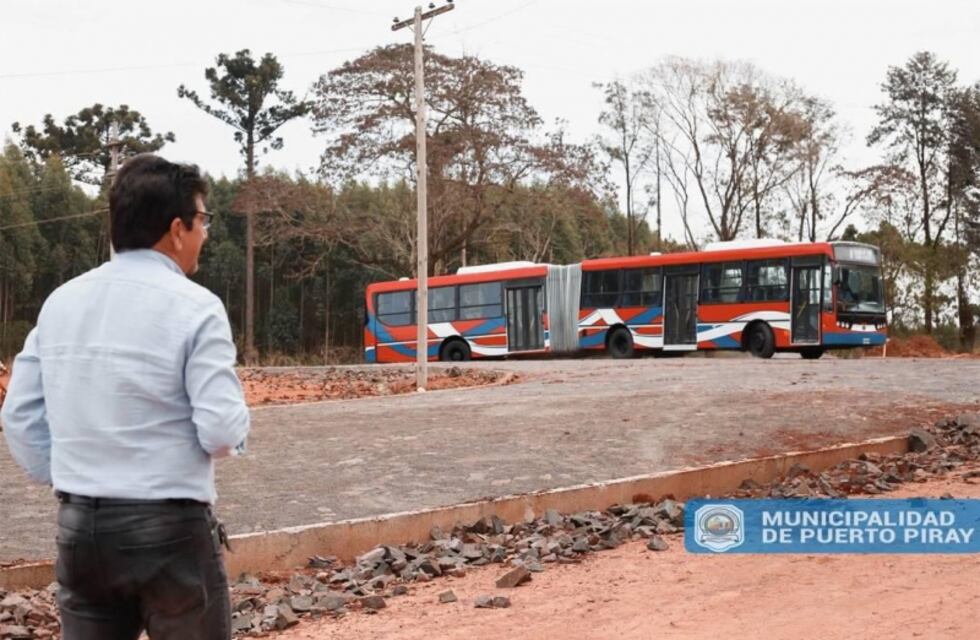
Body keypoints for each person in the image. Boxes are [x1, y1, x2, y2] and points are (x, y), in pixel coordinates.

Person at [0, 154, 250, 640]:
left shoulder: (62, 302)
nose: (205, 233)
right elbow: (220, 430)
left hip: (81, 530)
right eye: (203, 221)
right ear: (177, 229)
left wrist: (74, 474)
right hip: (171, 531)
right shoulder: (197, 307)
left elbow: (19, 414)